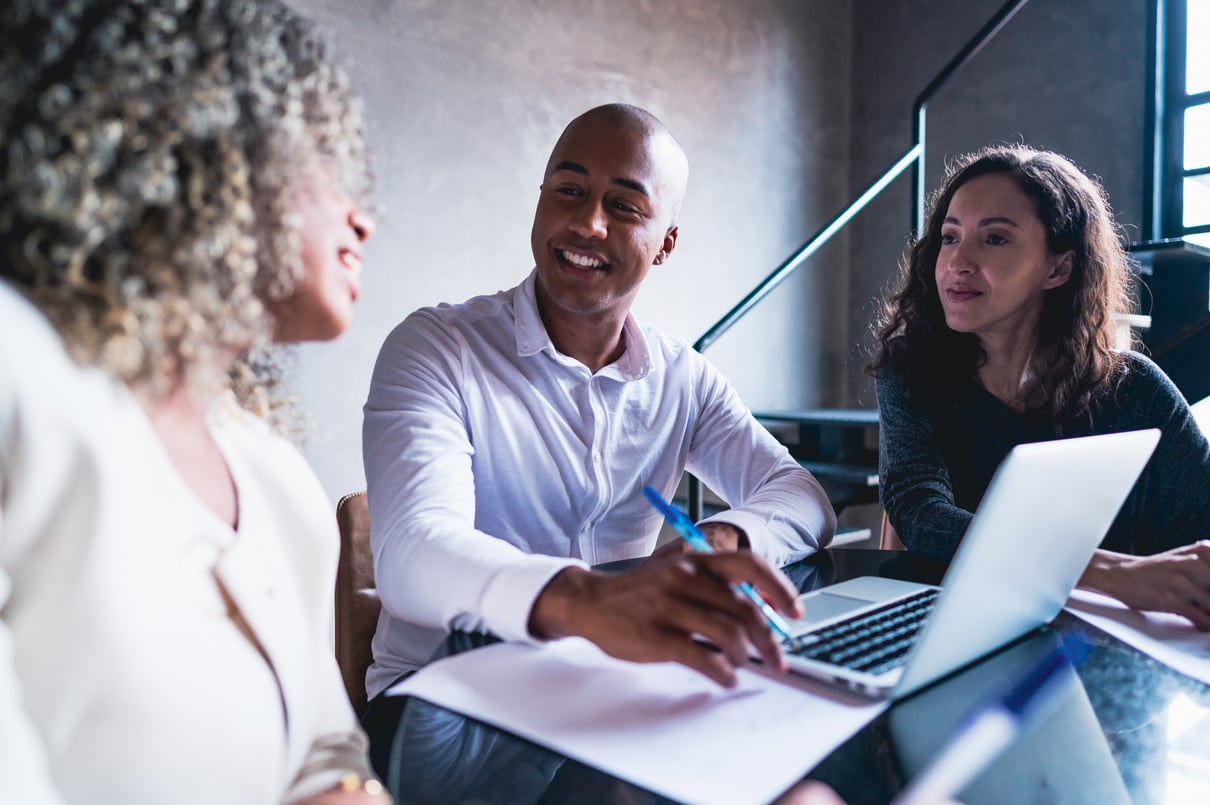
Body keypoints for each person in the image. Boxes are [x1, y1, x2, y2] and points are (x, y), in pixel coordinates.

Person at [0, 1, 388, 802]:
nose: (364, 219)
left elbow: (323, 747)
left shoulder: (275, 476)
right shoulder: (21, 374)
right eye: (323, 158)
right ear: (201, 144)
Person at [360, 103, 835, 752]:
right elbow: (413, 550)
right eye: (569, 191)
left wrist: (722, 538)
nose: (586, 223)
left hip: (610, 694)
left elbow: (800, 493)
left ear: (666, 241)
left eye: (624, 206)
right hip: (446, 707)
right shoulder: (436, 347)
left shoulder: (684, 379)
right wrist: (586, 601)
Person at [869, 144, 1210, 628]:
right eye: (949, 237)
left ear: (1058, 268)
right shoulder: (911, 372)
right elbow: (921, 514)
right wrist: (1112, 574)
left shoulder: (1135, 388)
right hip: (961, 638)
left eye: (995, 240)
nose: (957, 262)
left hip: (1112, 650)